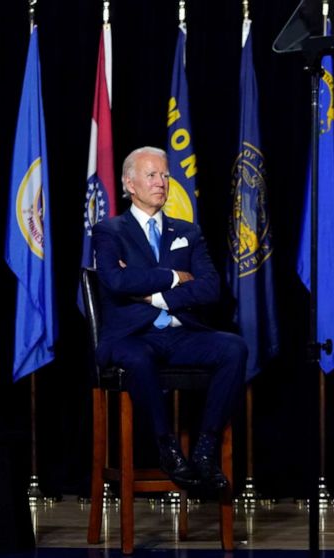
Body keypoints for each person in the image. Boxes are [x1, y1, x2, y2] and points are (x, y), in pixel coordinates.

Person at [91, 146, 247, 491]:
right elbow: (115, 282)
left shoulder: (187, 231)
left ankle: (205, 450)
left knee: (233, 348)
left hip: (179, 334)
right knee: (139, 357)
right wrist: (174, 276)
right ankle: (168, 447)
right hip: (130, 337)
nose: (161, 182)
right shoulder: (109, 231)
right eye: (152, 175)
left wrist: (150, 293)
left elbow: (210, 288)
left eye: (164, 175)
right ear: (129, 184)